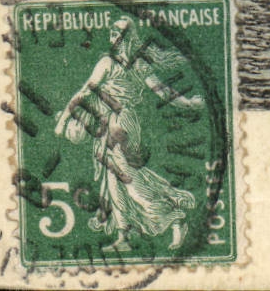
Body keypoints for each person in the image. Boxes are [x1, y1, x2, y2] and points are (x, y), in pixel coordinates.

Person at [54, 17, 203, 252]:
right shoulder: (115, 62)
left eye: (118, 31)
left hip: (120, 123)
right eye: (112, 30)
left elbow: (162, 91)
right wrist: (64, 119)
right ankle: (124, 235)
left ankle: (174, 217)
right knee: (116, 181)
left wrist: (189, 103)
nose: (113, 34)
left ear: (129, 37)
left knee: (129, 180)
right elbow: (87, 91)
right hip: (112, 120)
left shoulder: (126, 64)